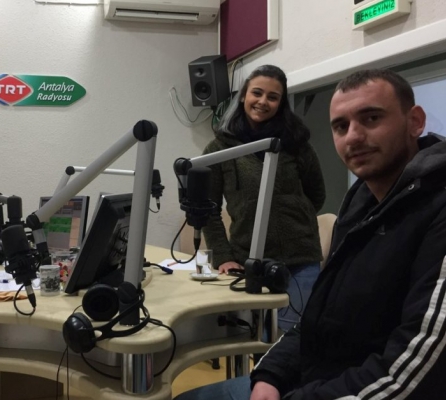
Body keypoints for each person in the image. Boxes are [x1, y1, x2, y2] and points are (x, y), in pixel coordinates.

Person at [176, 69, 446, 400]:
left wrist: (295, 216)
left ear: (415, 121)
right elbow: (315, 322)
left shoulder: (434, 211)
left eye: (372, 118)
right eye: (340, 126)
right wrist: (270, 377)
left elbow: (414, 368)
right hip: (255, 265)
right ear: (243, 96)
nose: (353, 137)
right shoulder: (359, 203)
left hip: (305, 268)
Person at [202, 65, 326, 331]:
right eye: (257, 93)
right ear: (244, 96)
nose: (263, 101)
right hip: (248, 261)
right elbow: (208, 209)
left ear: (281, 103)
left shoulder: (297, 144)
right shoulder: (219, 148)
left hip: (301, 259)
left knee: (292, 336)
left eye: (273, 97)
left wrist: (292, 215)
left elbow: (316, 195)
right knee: (253, 336)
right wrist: (223, 257)